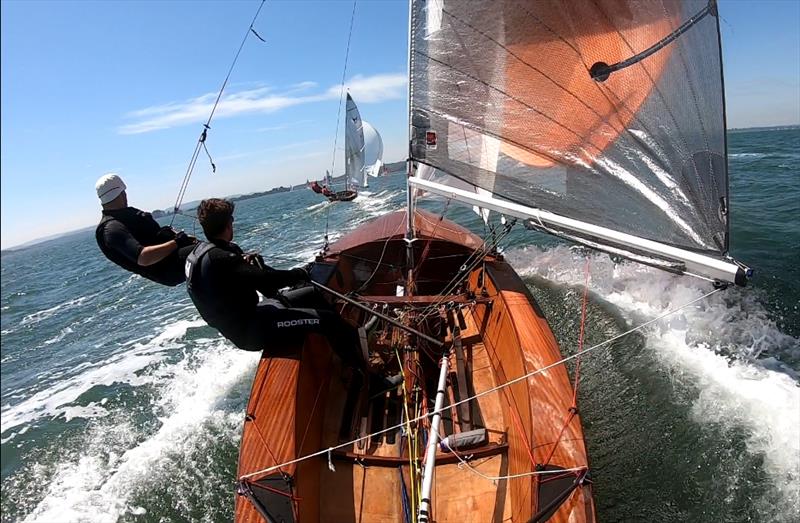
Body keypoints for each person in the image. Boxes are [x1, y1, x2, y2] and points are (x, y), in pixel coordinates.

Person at [184, 198, 362, 367]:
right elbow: (268, 281)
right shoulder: (223, 258)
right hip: (252, 331)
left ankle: (344, 348)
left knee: (312, 293)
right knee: (329, 320)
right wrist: (299, 274)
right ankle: (364, 372)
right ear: (229, 223)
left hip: (251, 317)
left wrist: (253, 267)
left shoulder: (203, 253)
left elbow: (265, 288)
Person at [95, 173, 197, 286]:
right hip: (168, 269)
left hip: (173, 259)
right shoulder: (111, 229)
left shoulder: (121, 219)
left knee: (207, 248)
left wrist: (170, 236)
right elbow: (143, 257)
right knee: (209, 252)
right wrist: (178, 241)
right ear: (122, 194)